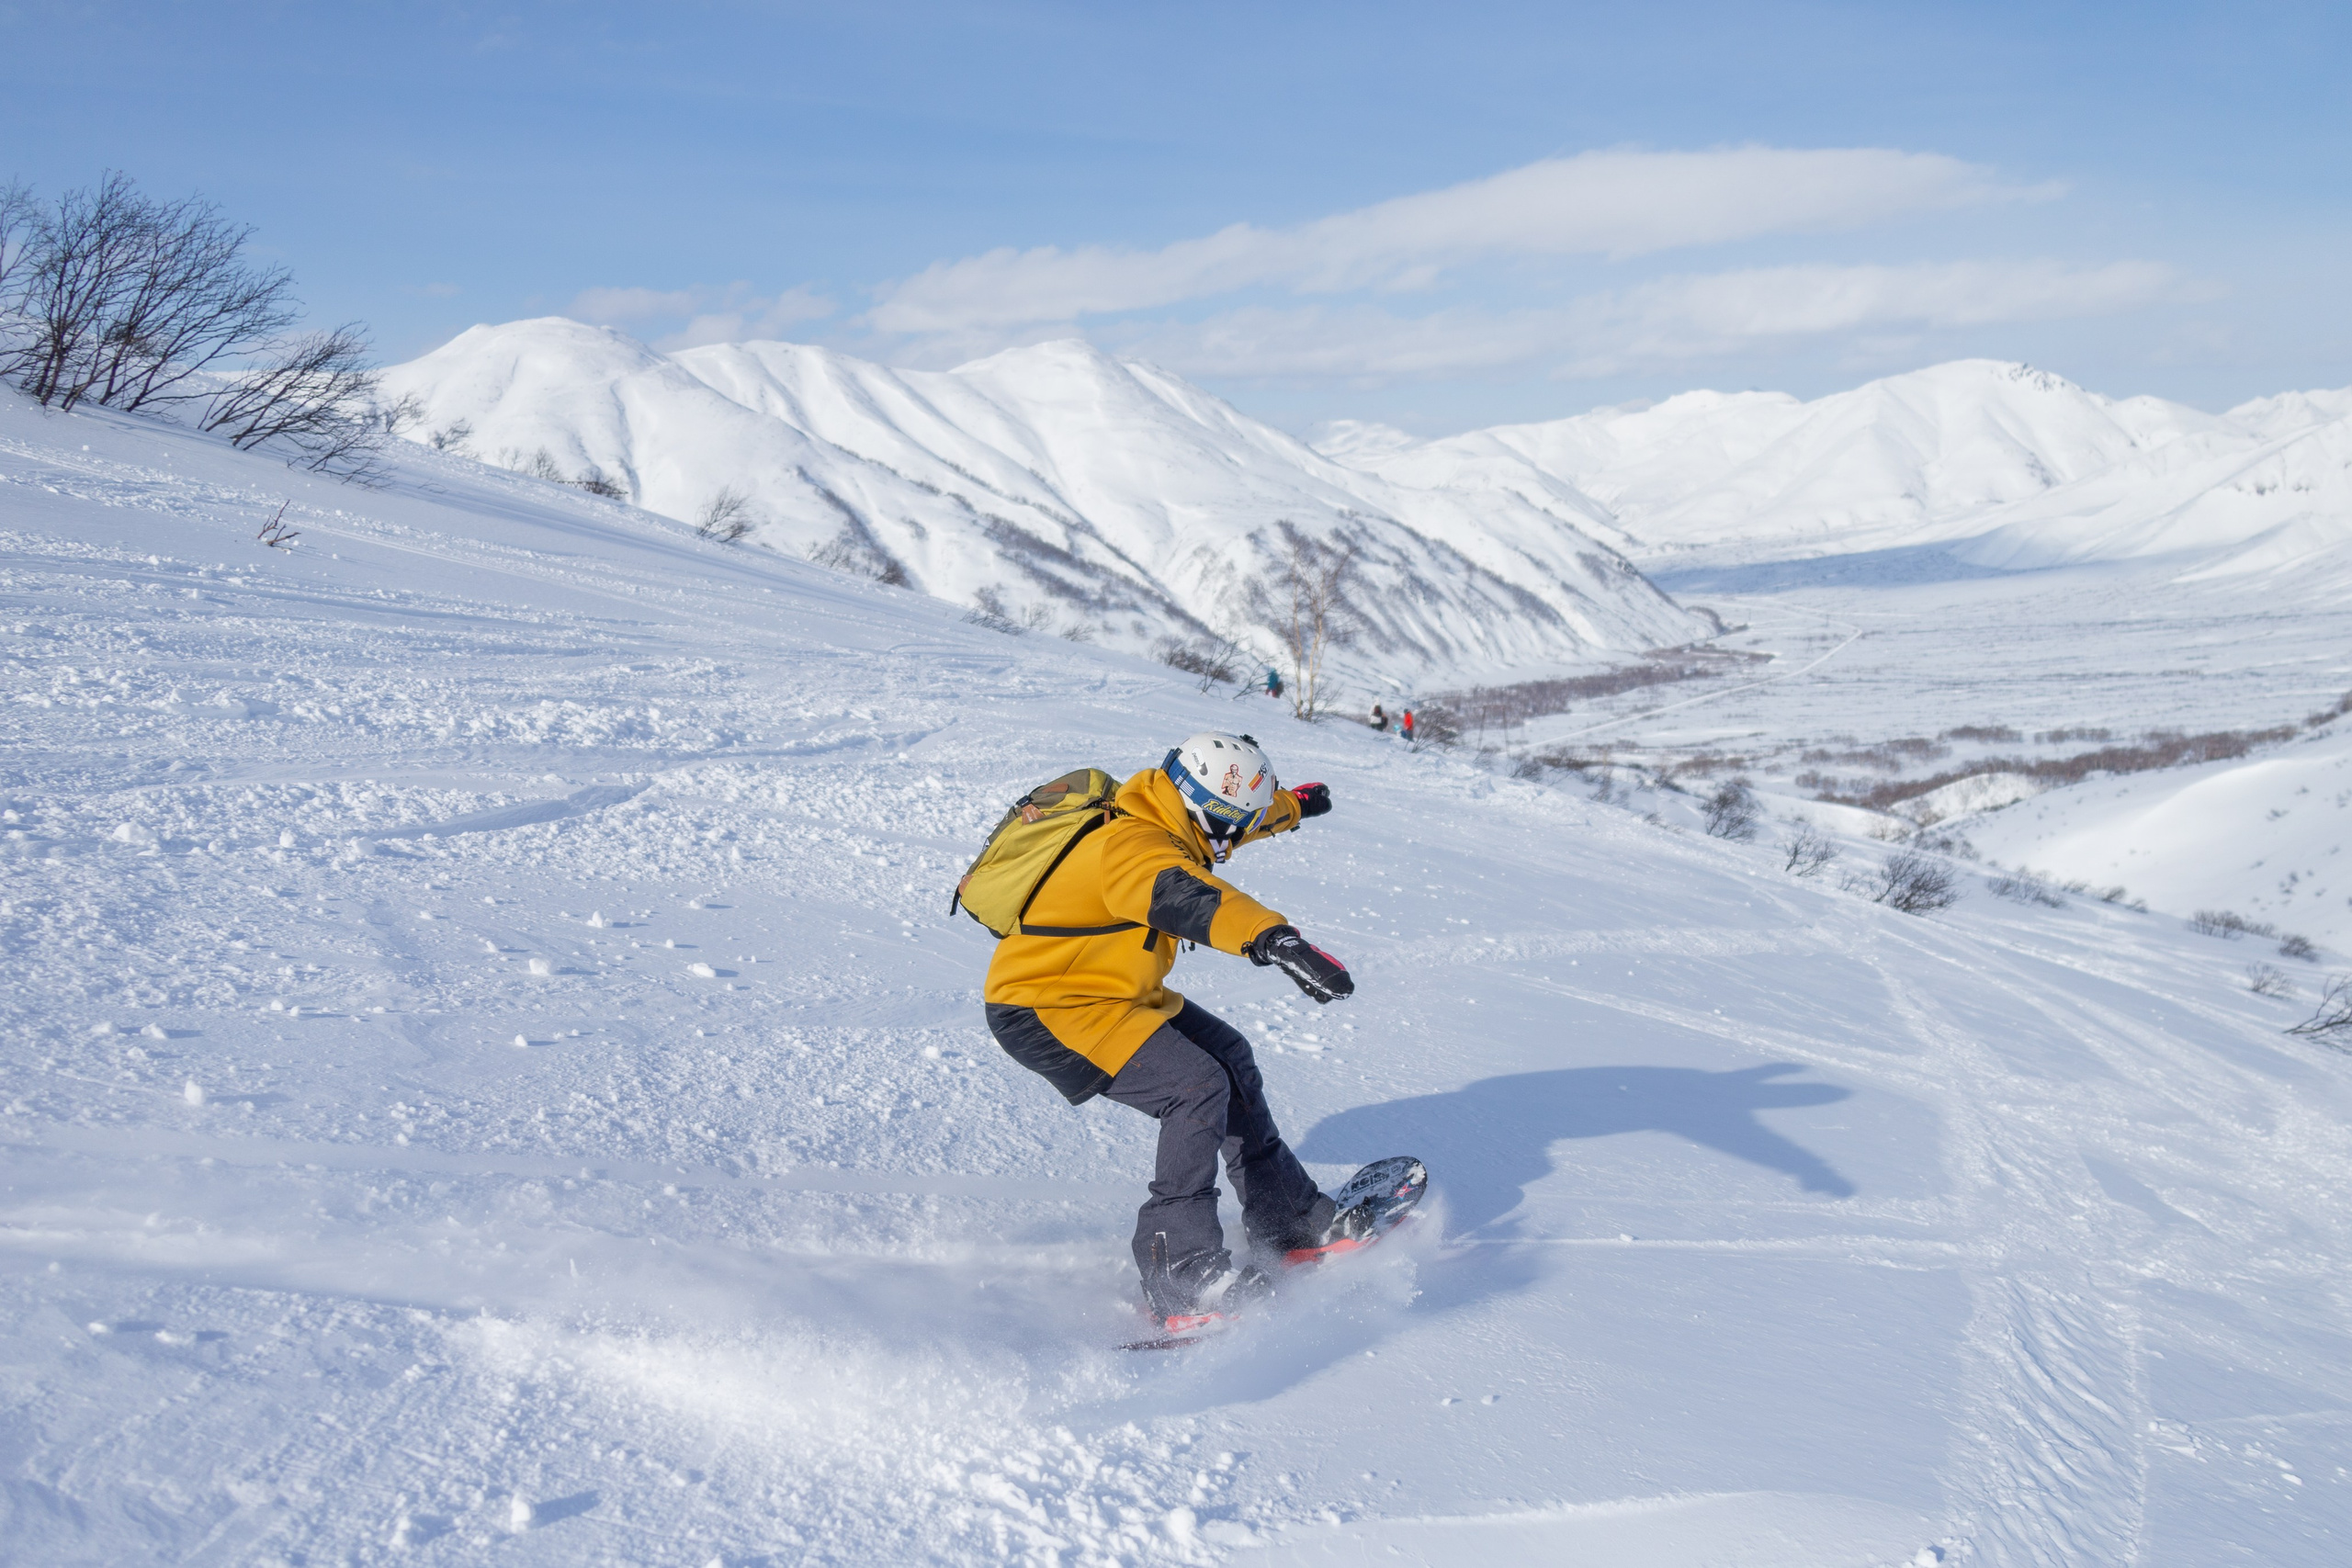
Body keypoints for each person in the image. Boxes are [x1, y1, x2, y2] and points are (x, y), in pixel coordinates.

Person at [982, 731, 1352, 1325]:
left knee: (1229, 1056)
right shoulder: (1131, 849)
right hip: (1047, 1004)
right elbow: (1191, 896)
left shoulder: (1169, 805)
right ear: (1206, 815)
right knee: (1195, 1085)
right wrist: (1273, 938)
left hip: (1114, 991)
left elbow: (1231, 820)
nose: (1233, 840)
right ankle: (1180, 1268)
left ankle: (1288, 1218)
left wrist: (1291, 807)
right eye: (1234, 826)